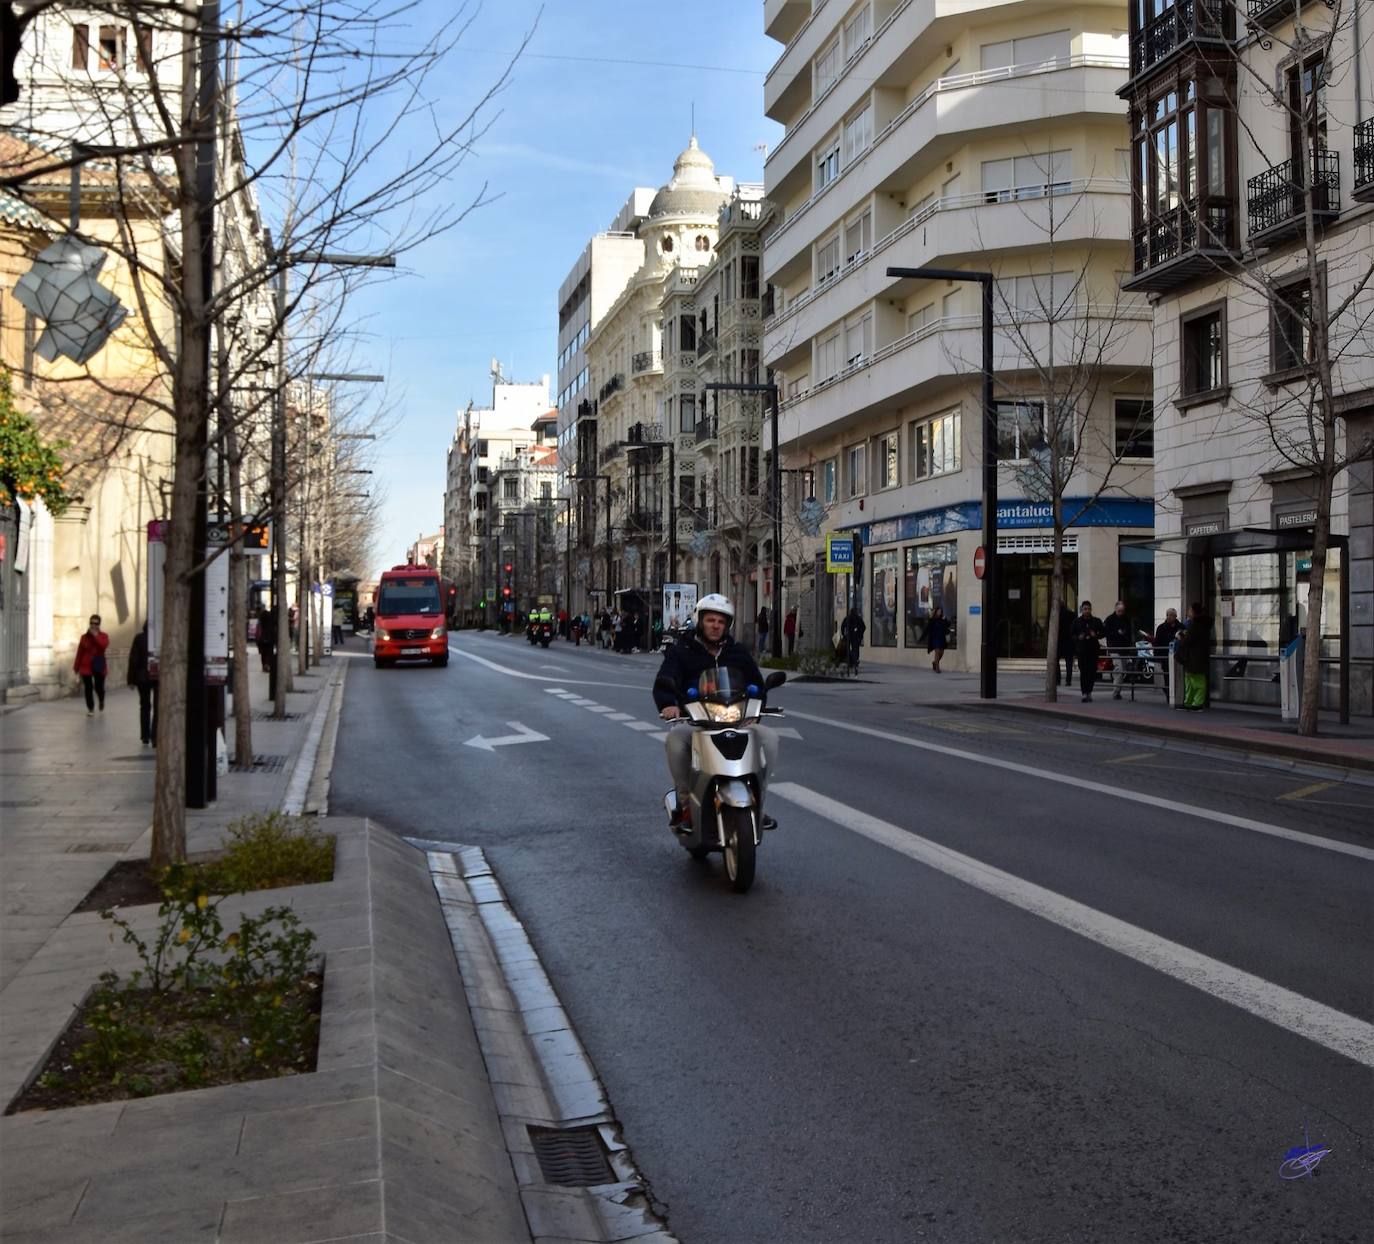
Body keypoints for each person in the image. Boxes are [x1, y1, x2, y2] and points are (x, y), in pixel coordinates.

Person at [653, 593, 778, 830]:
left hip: (737, 720)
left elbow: (757, 685)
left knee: (769, 738)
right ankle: (686, 805)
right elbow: (665, 678)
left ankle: (758, 804)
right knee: (676, 739)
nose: (716, 626)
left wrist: (755, 709)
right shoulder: (682, 651)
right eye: (711, 620)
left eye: (721, 622)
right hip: (697, 721)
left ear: (727, 626)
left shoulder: (737, 652)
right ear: (700, 621)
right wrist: (669, 703)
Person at [1177, 602, 1213, 710]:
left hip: (1194, 657)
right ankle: (1190, 702)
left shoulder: (1196, 625)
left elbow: (1188, 640)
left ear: (1193, 612)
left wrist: (1181, 637)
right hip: (1196, 657)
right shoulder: (1201, 625)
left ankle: (1196, 703)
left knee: (1196, 681)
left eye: (1190, 610)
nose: (1188, 612)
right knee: (1191, 680)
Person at [126, 622, 157, 746]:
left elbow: (133, 659)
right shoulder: (158, 638)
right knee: (157, 707)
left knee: (144, 706)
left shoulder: (139, 638)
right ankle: (155, 736)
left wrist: (131, 680)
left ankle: (145, 736)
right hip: (157, 677)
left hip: (142, 677)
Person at [1070, 600, 1106, 702]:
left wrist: (1096, 635)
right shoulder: (1077, 622)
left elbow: (1103, 632)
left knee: (1092, 672)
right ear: (1082, 610)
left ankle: (1089, 691)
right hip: (1082, 650)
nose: (1087, 611)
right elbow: (1072, 634)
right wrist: (1078, 637)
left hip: (1093, 650)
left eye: (1088, 609)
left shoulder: (1096, 621)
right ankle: (1084, 693)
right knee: (1084, 672)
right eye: (1085, 609)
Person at [73, 614, 110, 716]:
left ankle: (101, 700)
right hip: (86, 666)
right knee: (88, 688)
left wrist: (95, 636)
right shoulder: (84, 637)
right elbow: (80, 652)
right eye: (92, 623)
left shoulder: (104, 636)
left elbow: (103, 646)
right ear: (89, 624)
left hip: (98, 665)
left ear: (99, 624)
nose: (93, 625)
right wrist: (76, 667)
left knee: (99, 687)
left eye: (96, 623)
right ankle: (91, 708)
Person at [1104, 600, 1132, 700]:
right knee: (1119, 668)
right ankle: (1116, 692)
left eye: (1122, 611)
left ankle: (1118, 690)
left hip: (1124, 648)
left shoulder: (1126, 619)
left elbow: (1129, 633)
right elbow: (1107, 633)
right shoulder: (1110, 619)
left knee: (1122, 670)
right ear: (1116, 609)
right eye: (1119, 611)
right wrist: (1117, 633)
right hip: (1114, 647)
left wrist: (1129, 647)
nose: (1121, 613)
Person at [1149, 607, 1182, 689]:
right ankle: (1168, 691)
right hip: (1165, 656)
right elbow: (1157, 643)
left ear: (1175, 616)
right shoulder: (1161, 628)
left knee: (1178, 676)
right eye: (1167, 615)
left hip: (1178, 656)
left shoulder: (1180, 627)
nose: (1169, 617)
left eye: (1171, 615)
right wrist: (1157, 657)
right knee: (1167, 677)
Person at [1057, 600, 1076, 687]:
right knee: (1069, 662)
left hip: (1058, 641)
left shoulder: (1055, 615)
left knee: (1056, 661)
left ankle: (1057, 679)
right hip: (1069, 641)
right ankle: (1068, 680)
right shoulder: (1071, 614)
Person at [840, 607, 865, 672]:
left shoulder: (847, 618)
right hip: (855, 637)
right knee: (855, 649)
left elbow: (842, 626)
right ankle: (855, 660)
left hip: (849, 636)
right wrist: (860, 634)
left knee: (849, 649)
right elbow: (863, 627)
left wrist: (843, 634)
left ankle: (850, 661)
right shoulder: (858, 618)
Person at [927, 606, 949, 673]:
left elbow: (948, 625)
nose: (939, 612)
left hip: (942, 637)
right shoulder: (932, 620)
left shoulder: (942, 619)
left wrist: (945, 619)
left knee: (941, 653)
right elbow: (928, 629)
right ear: (936, 612)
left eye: (940, 611)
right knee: (937, 652)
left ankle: (935, 662)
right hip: (935, 638)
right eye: (938, 611)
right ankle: (937, 668)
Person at [256, 605, 277, 672]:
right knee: (269, 652)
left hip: (262, 638)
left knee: (263, 653)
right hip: (269, 638)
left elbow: (258, 630)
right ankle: (267, 664)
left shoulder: (261, 619)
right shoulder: (271, 620)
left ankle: (265, 665)